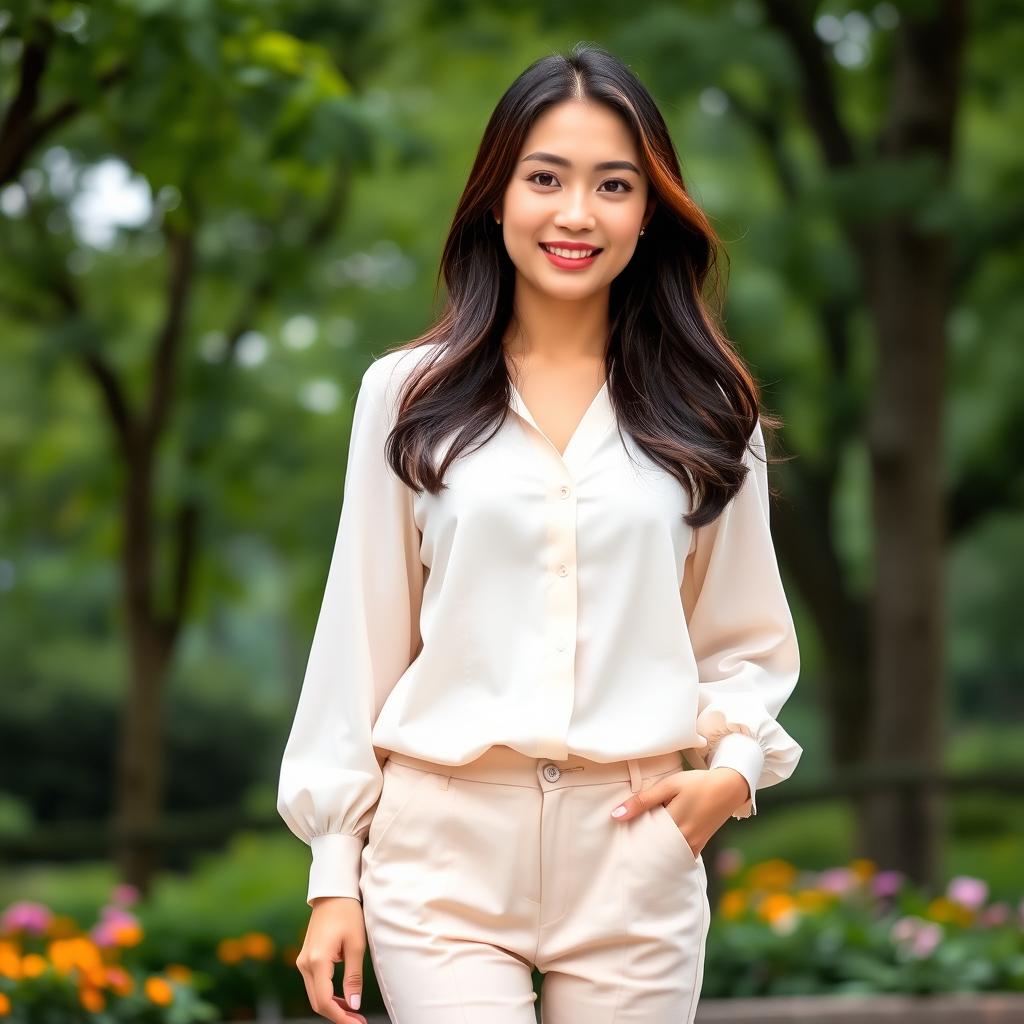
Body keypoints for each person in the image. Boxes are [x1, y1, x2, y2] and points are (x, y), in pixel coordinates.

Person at [277, 42, 803, 1024]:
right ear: (495, 197)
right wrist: (332, 869)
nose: (575, 214)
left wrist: (728, 775)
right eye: (545, 178)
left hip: (634, 845)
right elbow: (360, 637)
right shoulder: (407, 395)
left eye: (614, 185)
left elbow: (743, 637)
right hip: (442, 853)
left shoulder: (708, 403)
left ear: (651, 212)